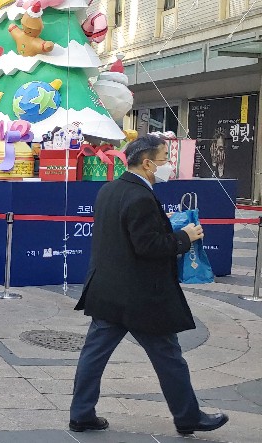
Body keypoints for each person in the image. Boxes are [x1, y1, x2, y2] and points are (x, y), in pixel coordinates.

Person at [68, 134, 228, 435]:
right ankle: (188, 416)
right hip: (141, 297)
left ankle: (81, 414)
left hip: (107, 290)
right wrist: (184, 237)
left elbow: (126, 232)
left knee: (93, 355)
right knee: (170, 359)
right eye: (164, 158)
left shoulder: (110, 189)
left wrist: (161, 221)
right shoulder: (140, 196)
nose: (167, 164)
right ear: (146, 162)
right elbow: (148, 246)